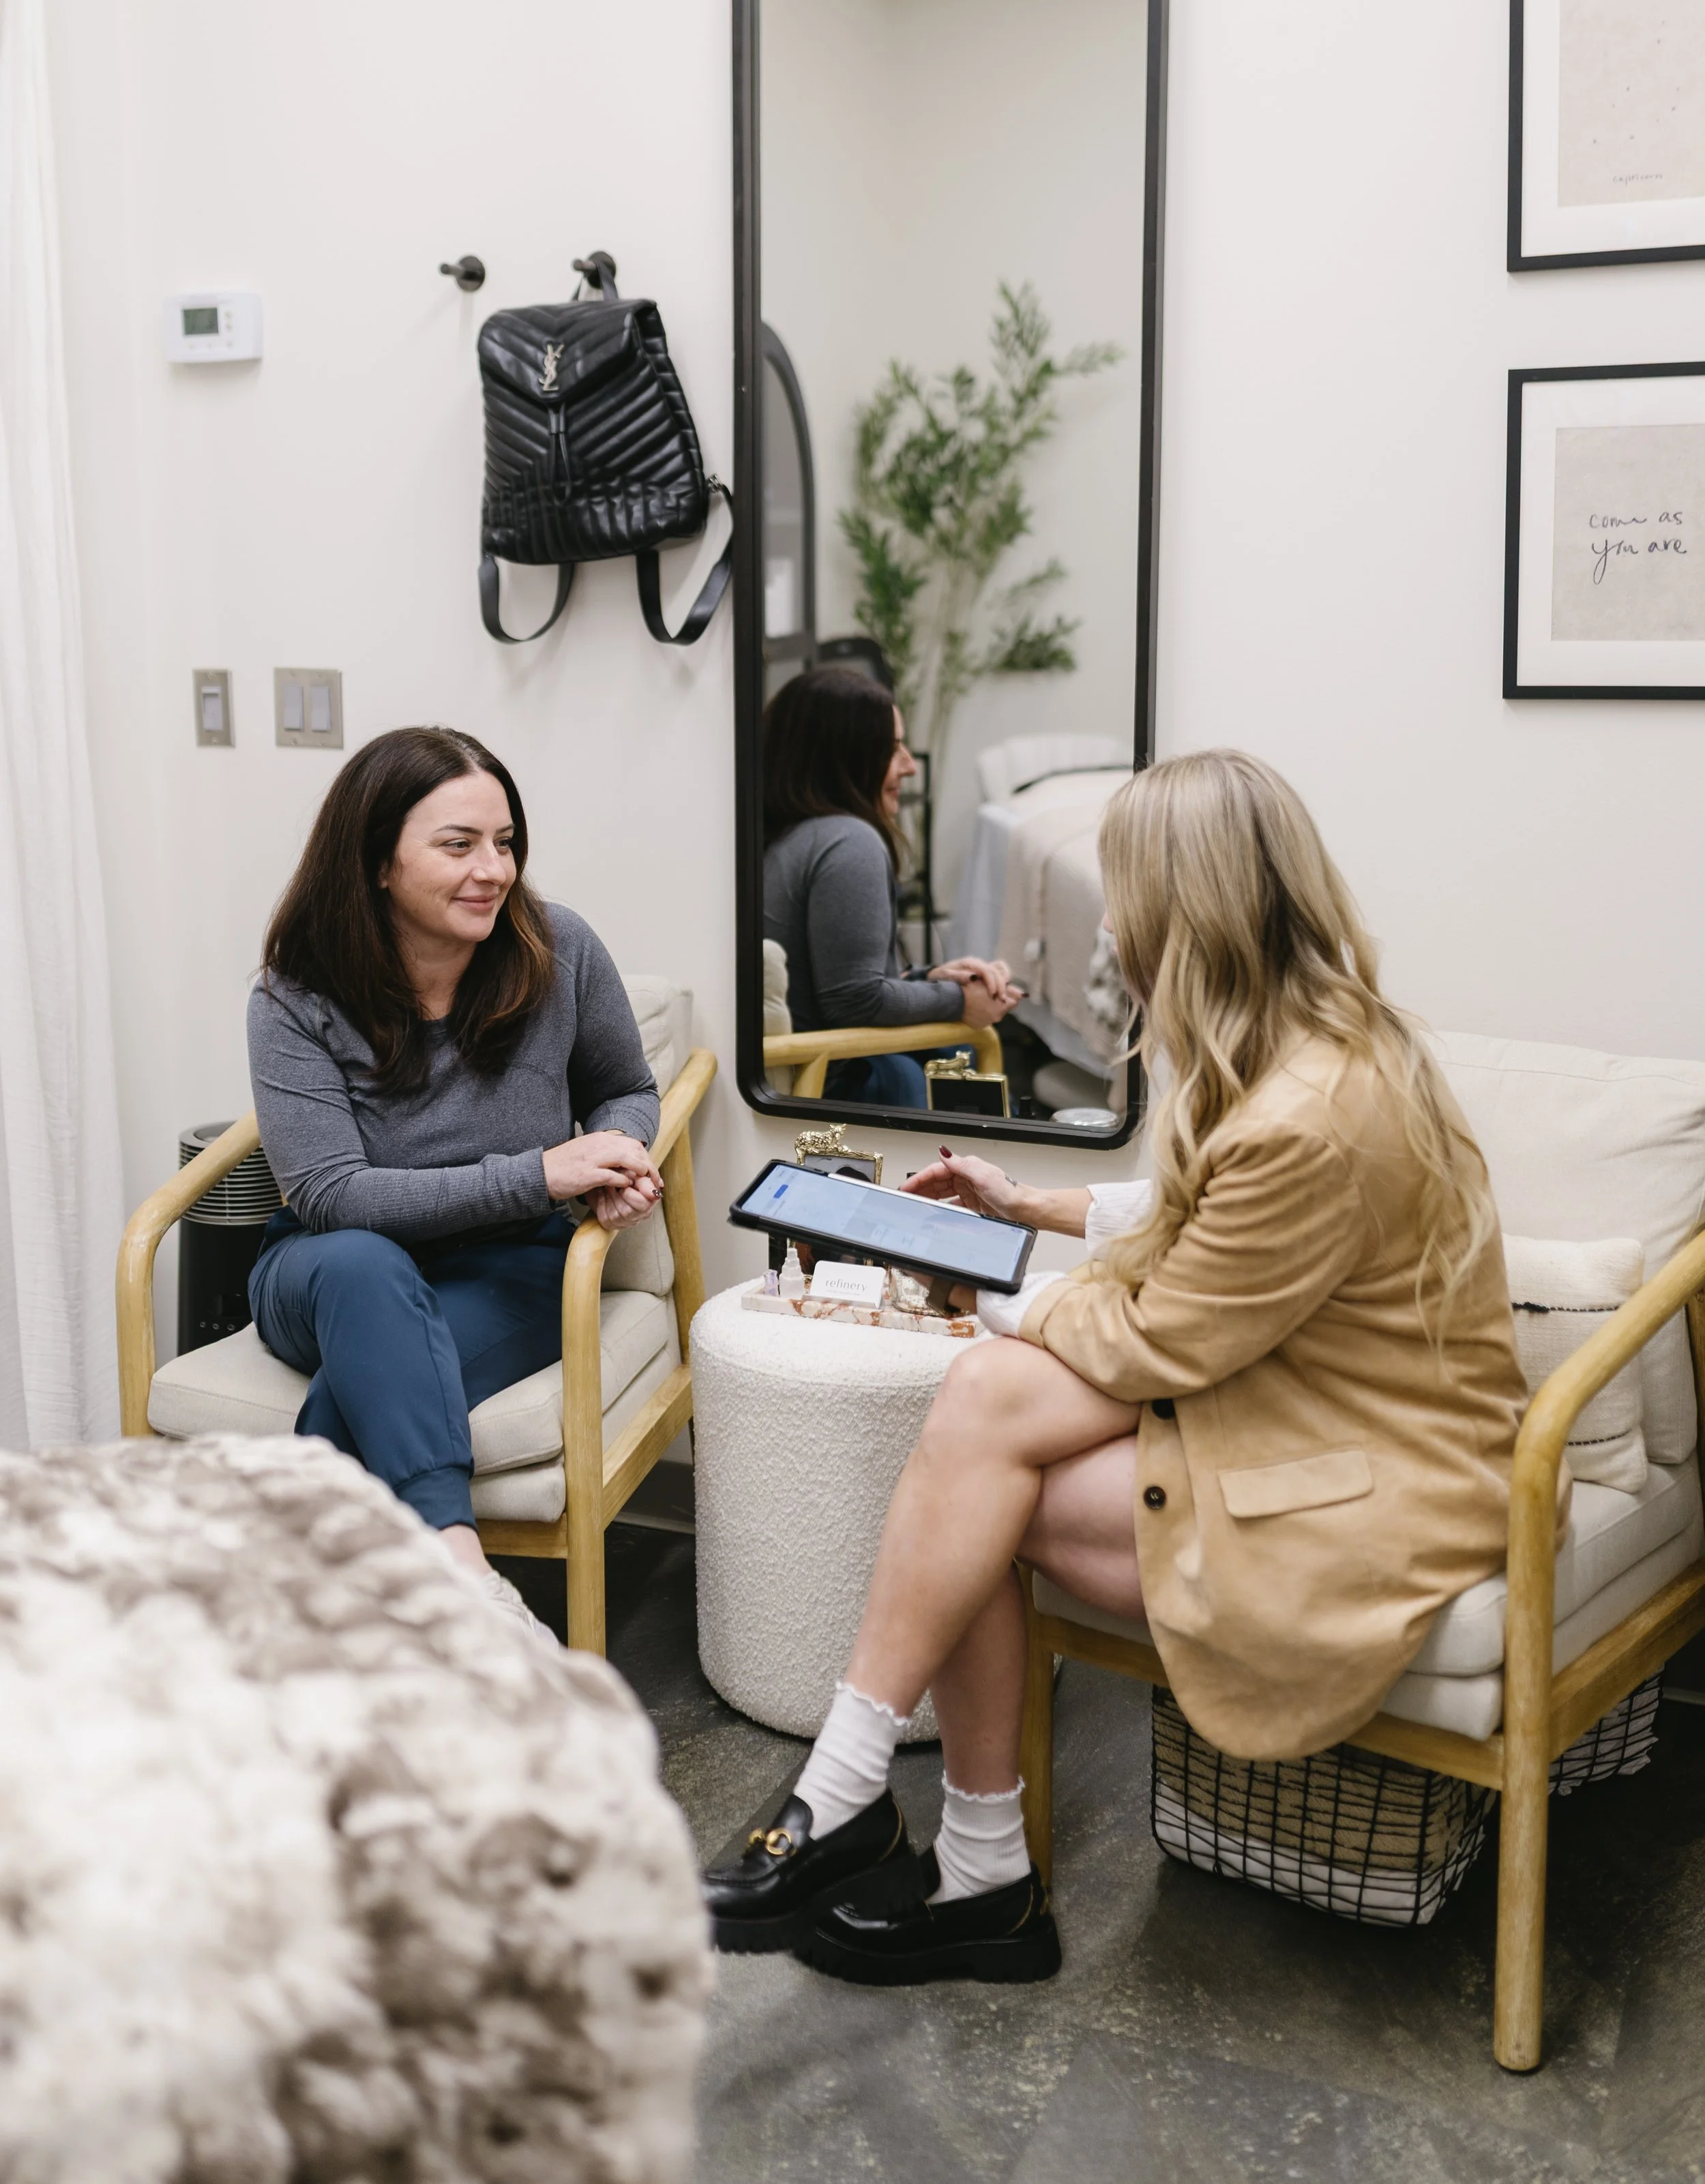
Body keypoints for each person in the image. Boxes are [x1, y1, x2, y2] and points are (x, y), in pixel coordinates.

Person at [708, 749, 1542, 1982]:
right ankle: (944, 1854)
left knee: (974, 1455)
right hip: (1295, 1418)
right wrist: (1022, 1207)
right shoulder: (1326, 1049)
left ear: (1185, 913)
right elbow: (1200, 1216)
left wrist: (985, 1294)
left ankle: (886, 1818)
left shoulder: (1311, 1115)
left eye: (1124, 900)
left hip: (1380, 1487)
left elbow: (1165, 1341)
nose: (1112, 929)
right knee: (973, 1468)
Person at [246, 725, 664, 1643]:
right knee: (361, 1261)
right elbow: (330, 1196)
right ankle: (468, 1581)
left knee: (346, 1414)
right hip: (325, 1273)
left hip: (511, 1267)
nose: (494, 869)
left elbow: (625, 1088)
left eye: (505, 842)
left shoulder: (561, 951)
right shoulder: (295, 995)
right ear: (378, 862)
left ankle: (293, 1638)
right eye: (458, 844)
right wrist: (544, 1172)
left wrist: (616, 1150)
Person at [762, 666, 1022, 1106]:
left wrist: (928, 979)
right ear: (846, 757)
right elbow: (854, 1001)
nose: (908, 767)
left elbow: (834, 984)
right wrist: (959, 1000)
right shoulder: (849, 841)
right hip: (844, 1083)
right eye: (893, 748)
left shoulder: (784, 837)